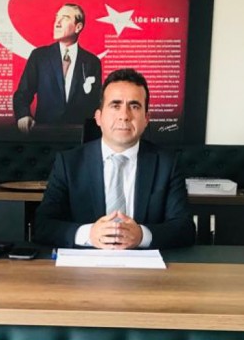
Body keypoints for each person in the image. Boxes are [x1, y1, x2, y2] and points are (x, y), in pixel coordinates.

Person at [33, 69, 195, 249]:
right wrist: (89, 234)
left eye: (134, 106)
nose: (124, 116)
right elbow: (42, 226)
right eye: (115, 105)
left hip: (144, 262)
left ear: (146, 119)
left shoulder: (167, 164)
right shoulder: (69, 163)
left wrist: (142, 235)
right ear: (99, 117)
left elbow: (185, 228)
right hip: (85, 262)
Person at [12, 3, 102, 134]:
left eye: (64, 18)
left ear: (78, 27)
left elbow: (97, 101)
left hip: (80, 134)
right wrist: (23, 115)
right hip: (45, 132)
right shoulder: (39, 56)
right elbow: (22, 94)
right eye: (57, 18)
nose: (57, 23)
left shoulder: (92, 62)